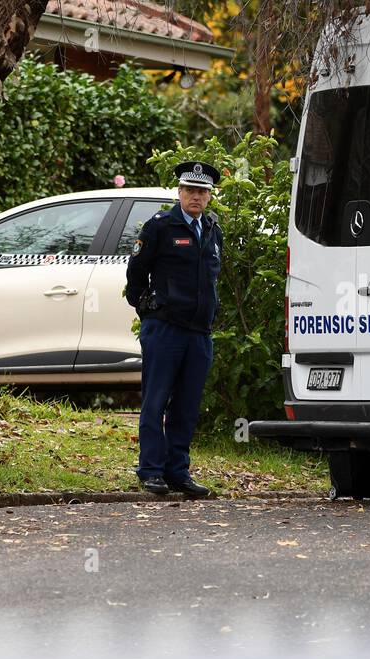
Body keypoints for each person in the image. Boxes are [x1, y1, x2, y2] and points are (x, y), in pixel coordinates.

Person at [124, 160, 224, 498]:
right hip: (165, 329)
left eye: (203, 192)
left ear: (209, 196)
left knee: (186, 404)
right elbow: (136, 270)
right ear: (179, 192)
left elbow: (211, 276)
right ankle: (151, 470)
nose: (196, 197)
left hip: (199, 333)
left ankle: (177, 472)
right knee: (156, 400)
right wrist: (146, 307)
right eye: (190, 190)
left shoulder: (211, 228)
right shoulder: (160, 227)